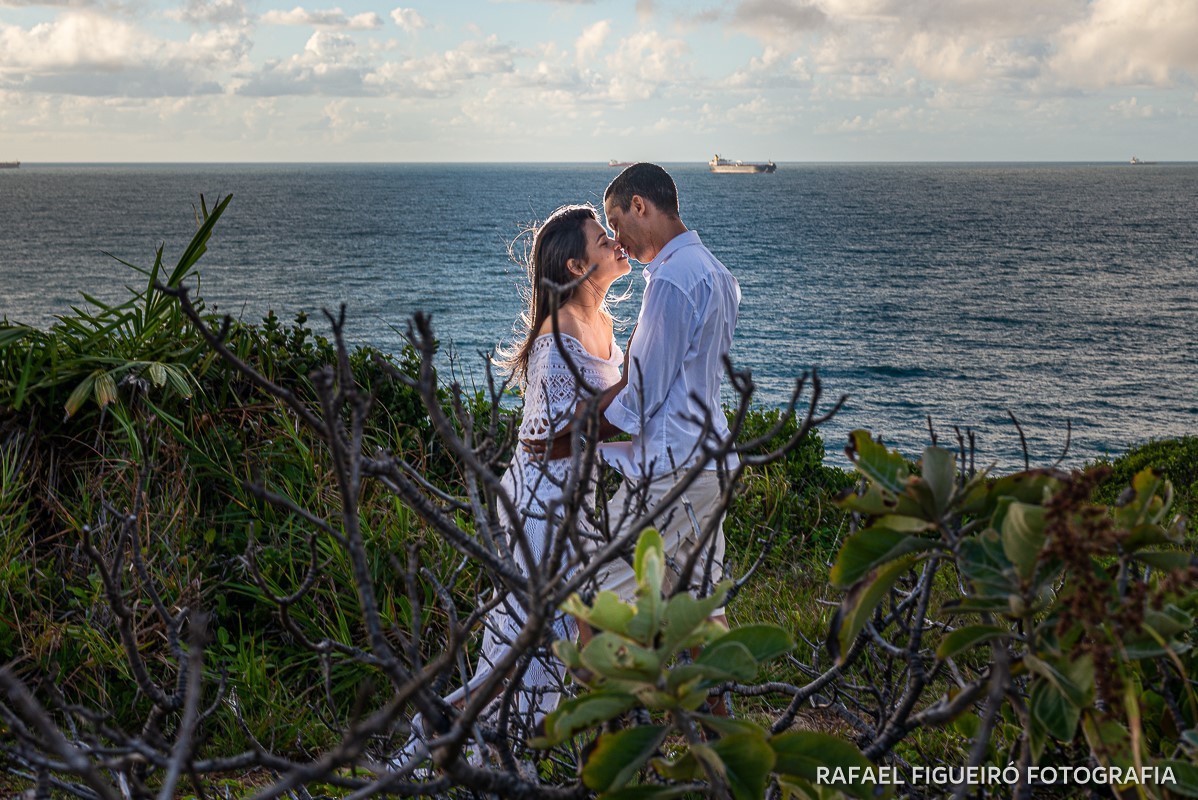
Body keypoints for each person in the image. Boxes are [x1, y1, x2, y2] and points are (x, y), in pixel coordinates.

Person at [397, 203, 630, 764]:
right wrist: (640, 385)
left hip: (575, 502)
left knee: (555, 644)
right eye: (604, 239)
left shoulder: (604, 322)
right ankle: (429, 746)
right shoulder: (558, 333)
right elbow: (553, 438)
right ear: (577, 263)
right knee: (527, 651)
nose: (616, 240)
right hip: (540, 501)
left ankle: (502, 749)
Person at [557, 163, 741, 652]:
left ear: (640, 205)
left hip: (673, 471)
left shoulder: (672, 280)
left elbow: (642, 391)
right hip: (712, 463)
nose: (620, 240)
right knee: (701, 612)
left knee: (594, 589)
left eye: (617, 223)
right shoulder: (718, 274)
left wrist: (579, 427)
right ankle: (726, 728)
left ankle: (615, 718)